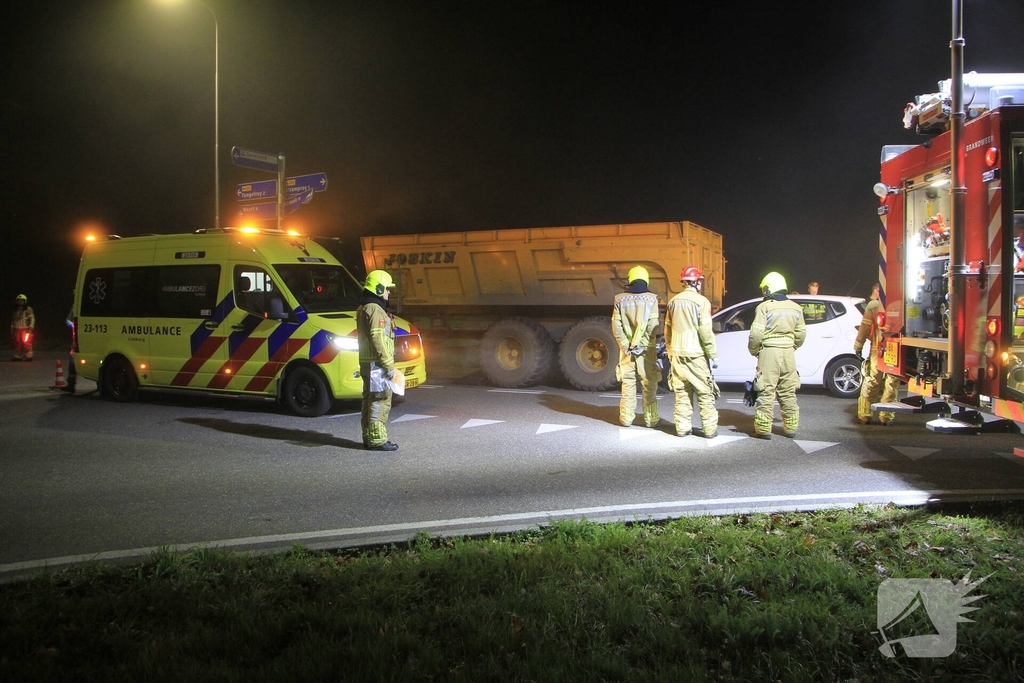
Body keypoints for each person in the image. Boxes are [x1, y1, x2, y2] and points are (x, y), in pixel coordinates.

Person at [748, 272, 806, 439]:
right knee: (788, 391)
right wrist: (792, 346)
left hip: (769, 353)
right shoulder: (796, 308)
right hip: (788, 353)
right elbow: (801, 334)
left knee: (766, 391)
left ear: (769, 288)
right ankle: (790, 428)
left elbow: (756, 334)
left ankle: (764, 430)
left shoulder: (764, 307)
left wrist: (754, 350)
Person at [664, 266, 719, 438]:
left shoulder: (673, 301)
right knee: (705, 392)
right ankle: (709, 430)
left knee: (682, 393)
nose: (701, 283)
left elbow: (667, 330)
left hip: (678, 354)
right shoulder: (702, 302)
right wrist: (712, 354)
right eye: (700, 281)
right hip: (696, 354)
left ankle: (682, 428)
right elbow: (705, 331)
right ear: (695, 281)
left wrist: (670, 350)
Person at [611, 265, 662, 427]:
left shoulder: (619, 299)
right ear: (646, 279)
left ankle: (626, 419)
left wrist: (626, 346)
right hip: (646, 351)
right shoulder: (652, 299)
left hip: (627, 352)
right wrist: (643, 346)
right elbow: (653, 325)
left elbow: (616, 326)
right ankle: (651, 420)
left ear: (630, 280)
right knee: (649, 383)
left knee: (628, 382)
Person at [357, 270, 400, 451]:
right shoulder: (375, 309)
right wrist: (388, 365)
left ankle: (369, 437)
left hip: (369, 363)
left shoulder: (364, 307)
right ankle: (377, 440)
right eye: (387, 289)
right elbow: (378, 339)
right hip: (377, 364)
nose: (389, 293)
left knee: (369, 399)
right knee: (380, 400)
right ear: (379, 288)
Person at [854, 283, 899, 425]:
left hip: (877, 350)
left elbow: (865, 327)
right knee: (891, 383)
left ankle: (864, 414)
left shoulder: (873, 306)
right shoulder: (901, 304)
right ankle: (886, 416)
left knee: (872, 380)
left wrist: (858, 345)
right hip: (896, 350)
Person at [10, 294, 35, 362]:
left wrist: (31, 327)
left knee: (27, 343)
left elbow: (32, 319)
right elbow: (13, 320)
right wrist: (12, 328)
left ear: (25, 301)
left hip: (25, 329)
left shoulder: (28, 309)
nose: (20, 302)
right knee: (17, 343)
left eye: (22, 301)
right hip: (17, 329)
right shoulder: (15, 310)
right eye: (19, 301)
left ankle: (29, 356)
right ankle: (18, 356)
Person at [64, 304, 78, 393]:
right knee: (72, 362)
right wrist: (72, 325)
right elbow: (68, 320)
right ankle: (71, 384)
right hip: (76, 338)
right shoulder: (75, 306)